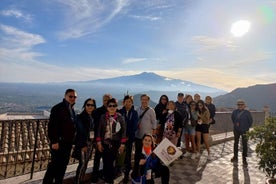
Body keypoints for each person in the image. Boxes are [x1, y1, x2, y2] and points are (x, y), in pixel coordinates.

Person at [43, 89, 77, 184]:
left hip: (68, 143)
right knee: (54, 166)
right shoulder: (57, 108)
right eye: (70, 96)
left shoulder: (71, 109)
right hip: (59, 143)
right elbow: (52, 126)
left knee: (63, 166)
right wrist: (54, 141)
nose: (72, 98)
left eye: (74, 97)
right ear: (65, 96)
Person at [95, 98, 127, 183]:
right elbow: (99, 130)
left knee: (112, 162)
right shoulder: (103, 117)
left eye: (114, 106)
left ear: (116, 107)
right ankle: (107, 179)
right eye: (110, 106)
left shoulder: (120, 117)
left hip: (115, 143)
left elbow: (124, 131)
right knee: (105, 162)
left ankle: (110, 180)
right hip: (105, 143)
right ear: (107, 107)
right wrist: (98, 143)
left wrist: (122, 144)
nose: (112, 107)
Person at [73, 98, 96, 184]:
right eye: (88, 105)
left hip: (90, 144)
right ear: (85, 106)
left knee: (85, 163)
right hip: (83, 144)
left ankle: (81, 180)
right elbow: (80, 132)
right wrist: (83, 145)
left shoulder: (93, 116)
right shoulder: (80, 117)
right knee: (82, 164)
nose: (90, 106)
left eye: (92, 105)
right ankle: (77, 181)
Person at [91, 94, 112, 183]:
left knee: (107, 161)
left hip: (109, 141)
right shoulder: (97, 111)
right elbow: (93, 127)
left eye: (108, 100)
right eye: (104, 100)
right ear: (102, 101)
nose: (106, 102)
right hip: (99, 140)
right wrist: (94, 140)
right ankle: (94, 179)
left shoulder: (114, 111)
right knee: (97, 160)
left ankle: (106, 177)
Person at [118, 95, 138, 183]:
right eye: (126, 101)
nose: (128, 103)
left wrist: (127, 136)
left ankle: (126, 175)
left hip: (129, 138)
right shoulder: (119, 112)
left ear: (132, 103)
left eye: (130, 101)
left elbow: (134, 126)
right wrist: (122, 136)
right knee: (119, 154)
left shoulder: (134, 113)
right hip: (120, 138)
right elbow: (118, 125)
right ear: (124, 102)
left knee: (128, 156)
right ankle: (117, 171)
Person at [134, 94, 157, 174]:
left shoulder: (151, 110)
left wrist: (153, 136)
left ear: (148, 101)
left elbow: (154, 123)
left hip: (147, 138)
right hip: (138, 136)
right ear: (141, 100)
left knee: (146, 155)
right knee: (138, 155)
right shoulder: (137, 110)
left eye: (146, 100)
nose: (144, 101)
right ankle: (137, 170)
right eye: (143, 99)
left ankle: (146, 171)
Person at [231, 99, 253, 166]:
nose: (240, 106)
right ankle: (235, 157)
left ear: (244, 106)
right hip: (236, 130)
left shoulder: (247, 112)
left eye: (241, 104)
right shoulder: (234, 112)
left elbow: (250, 121)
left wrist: (246, 127)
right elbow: (233, 119)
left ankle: (244, 159)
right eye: (239, 104)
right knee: (236, 143)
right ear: (237, 105)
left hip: (244, 130)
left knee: (244, 144)